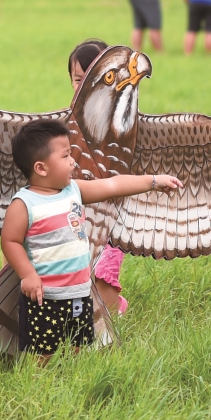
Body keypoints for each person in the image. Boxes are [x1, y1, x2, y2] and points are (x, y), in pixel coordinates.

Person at [1, 120, 181, 358]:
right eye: (66, 156)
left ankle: (73, 373)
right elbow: (10, 242)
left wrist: (153, 181)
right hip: (45, 297)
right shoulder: (24, 204)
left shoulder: (74, 190)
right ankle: (40, 382)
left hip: (79, 292)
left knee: (78, 344)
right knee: (43, 352)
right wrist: (28, 275)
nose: (73, 161)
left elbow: (113, 184)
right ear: (41, 168)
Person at [65, 38, 127, 317]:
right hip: (74, 214)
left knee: (105, 307)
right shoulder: (66, 121)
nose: (85, 85)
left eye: (94, 77)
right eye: (78, 79)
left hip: (110, 220)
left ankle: (116, 305)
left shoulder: (123, 118)